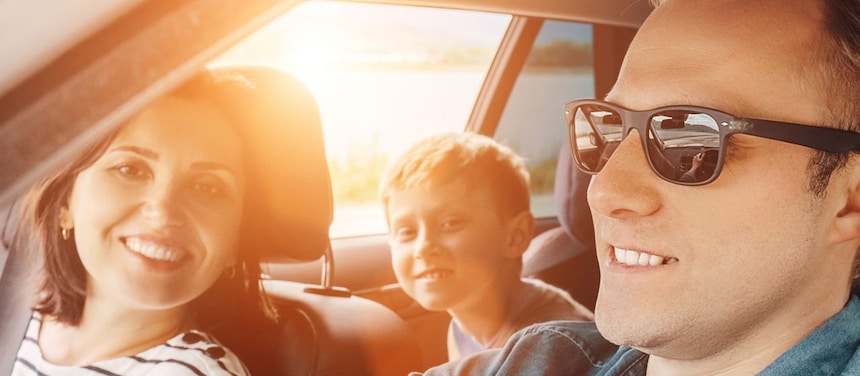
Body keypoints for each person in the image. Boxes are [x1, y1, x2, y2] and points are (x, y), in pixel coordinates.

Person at [415, 0, 860, 374]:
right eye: (606, 127)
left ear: (850, 200)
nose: (603, 192)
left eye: (691, 140)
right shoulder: (536, 360)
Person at [11, 67, 286, 375]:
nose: (163, 212)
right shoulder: (18, 316)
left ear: (236, 240)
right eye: (130, 170)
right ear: (65, 203)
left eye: (207, 187)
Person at [379, 132, 594, 361]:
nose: (423, 247)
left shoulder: (552, 347)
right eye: (406, 232)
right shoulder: (461, 329)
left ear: (515, 237)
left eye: (450, 223)